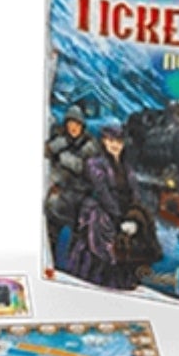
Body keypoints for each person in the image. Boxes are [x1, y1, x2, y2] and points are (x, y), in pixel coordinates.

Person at [63, 123, 159, 290]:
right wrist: (119, 217)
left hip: (123, 211)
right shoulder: (94, 163)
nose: (115, 145)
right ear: (104, 141)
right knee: (101, 242)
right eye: (111, 140)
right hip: (100, 211)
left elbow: (134, 192)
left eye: (119, 142)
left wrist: (134, 214)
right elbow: (102, 191)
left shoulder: (126, 167)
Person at [44, 102, 93, 267]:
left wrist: (65, 158)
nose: (74, 127)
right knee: (51, 232)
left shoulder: (89, 144)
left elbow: (86, 168)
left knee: (76, 240)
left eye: (77, 124)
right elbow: (46, 151)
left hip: (79, 198)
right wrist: (58, 145)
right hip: (60, 196)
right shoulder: (60, 139)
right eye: (70, 123)